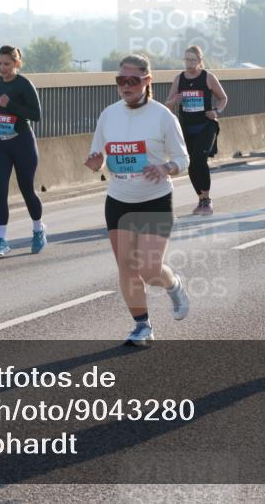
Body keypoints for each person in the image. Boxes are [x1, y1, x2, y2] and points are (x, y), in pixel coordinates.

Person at [85, 54, 190, 346]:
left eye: (132, 80)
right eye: (121, 80)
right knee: (127, 268)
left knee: (149, 269)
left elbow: (183, 158)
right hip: (119, 200)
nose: (125, 86)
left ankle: (174, 284)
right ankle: (142, 325)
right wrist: (96, 162)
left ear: (147, 81)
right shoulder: (109, 115)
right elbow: (99, 157)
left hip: (155, 199)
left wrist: (165, 167)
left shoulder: (162, 116)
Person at [0, 45, 45, 256]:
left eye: (7, 64)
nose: (2, 68)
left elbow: (36, 115)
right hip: (1, 141)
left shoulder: (24, 84)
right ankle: (1, 240)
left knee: (27, 189)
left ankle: (38, 230)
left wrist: (11, 105)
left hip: (22, 142)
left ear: (17, 63)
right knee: (0, 190)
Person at [164, 45, 228, 215]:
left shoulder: (208, 78)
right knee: (191, 164)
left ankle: (207, 201)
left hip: (206, 125)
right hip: (186, 127)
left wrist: (216, 111)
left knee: (200, 159)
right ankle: (201, 199)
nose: (189, 63)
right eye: (187, 59)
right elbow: (167, 105)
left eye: (193, 60)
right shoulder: (179, 79)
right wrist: (175, 100)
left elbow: (223, 98)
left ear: (200, 61)